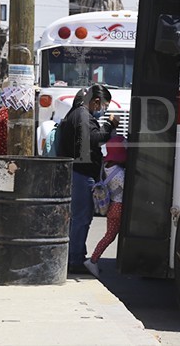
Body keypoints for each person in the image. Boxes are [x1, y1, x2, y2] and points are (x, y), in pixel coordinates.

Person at [57, 84, 117, 274]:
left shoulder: (77, 114)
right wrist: (110, 125)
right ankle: (74, 260)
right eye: (104, 106)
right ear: (96, 101)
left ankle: (76, 254)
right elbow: (95, 138)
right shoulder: (82, 115)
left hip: (78, 172)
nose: (103, 110)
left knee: (78, 218)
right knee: (81, 218)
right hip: (81, 174)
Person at [83, 135, 127, 277]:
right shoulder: (120, 173)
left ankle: (94, 259)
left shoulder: (106, 168)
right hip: (119, 207)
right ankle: (93, 260)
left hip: (111, 207)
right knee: (110, 236)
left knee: (109, 235)